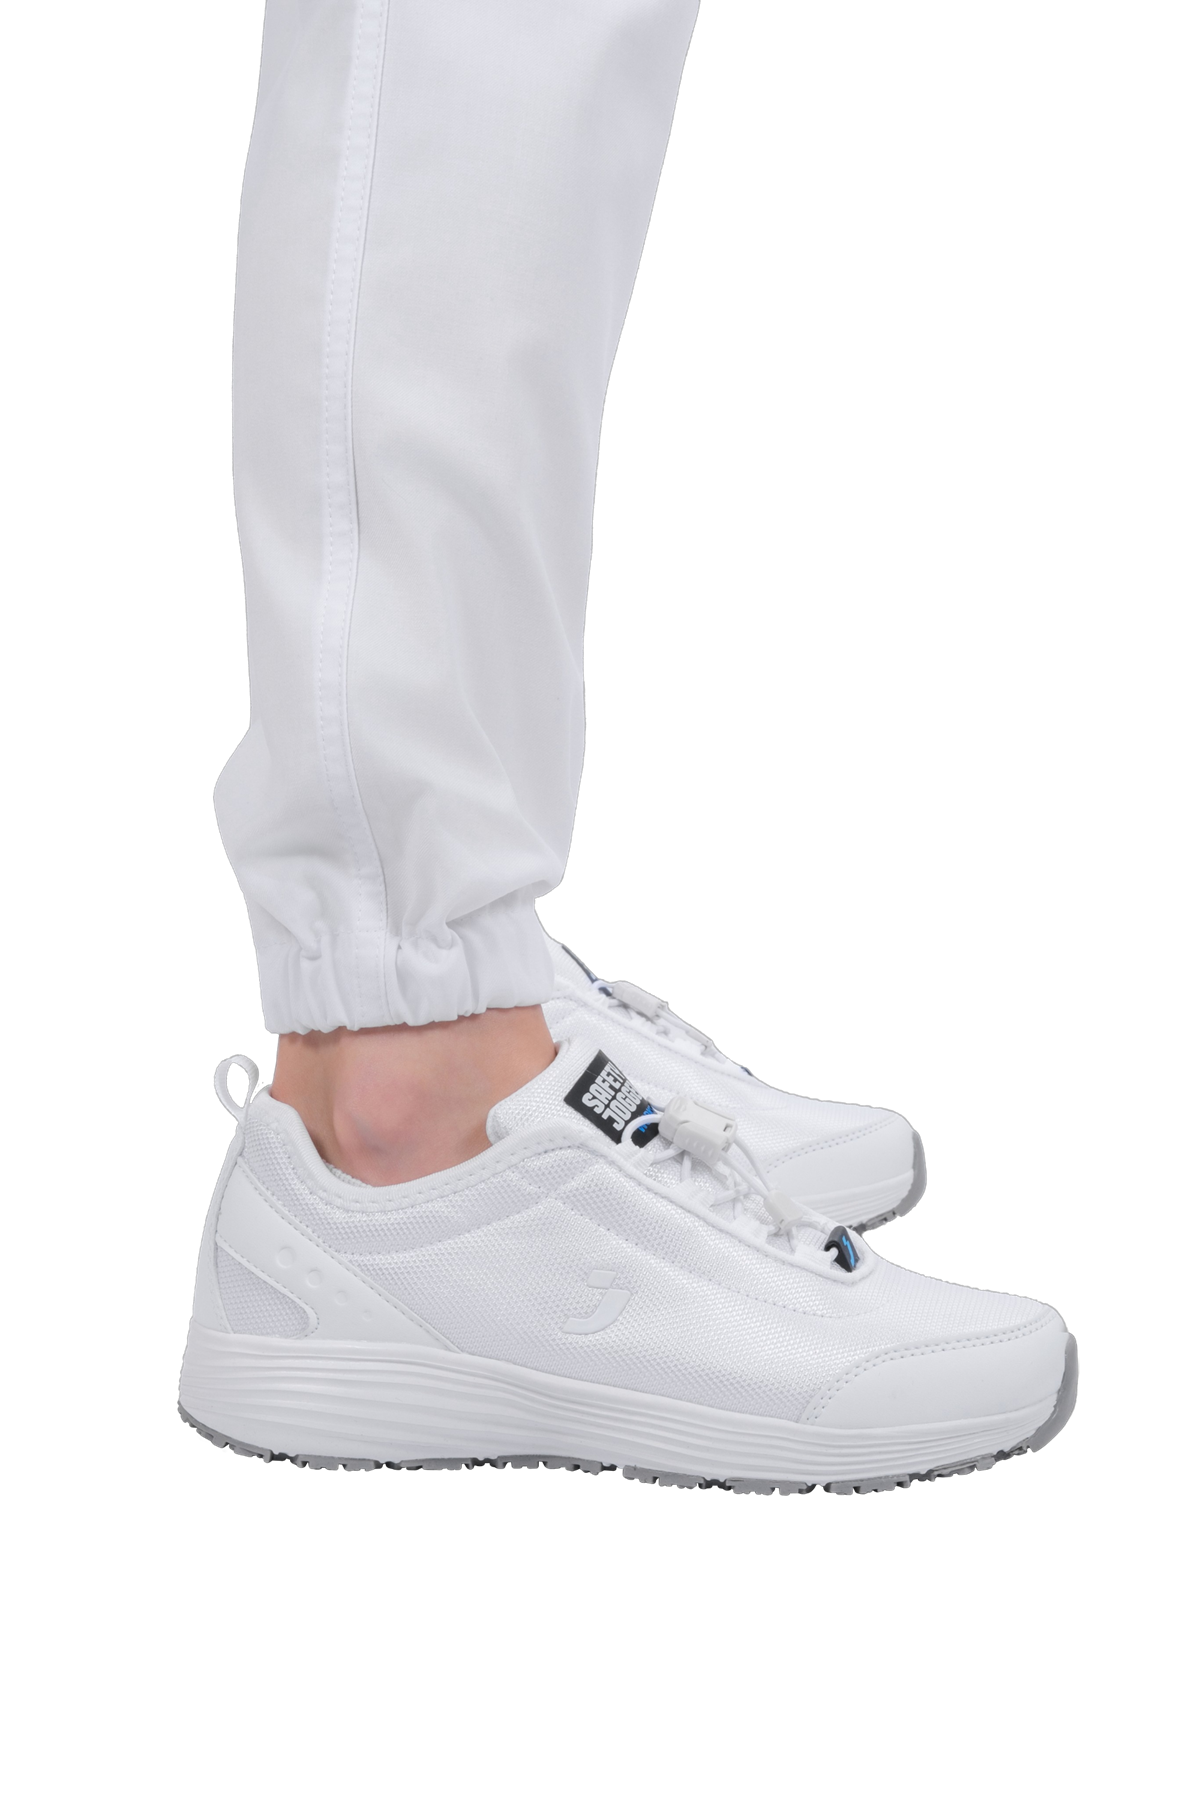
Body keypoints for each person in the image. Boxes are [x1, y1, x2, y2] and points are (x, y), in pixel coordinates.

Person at [180, 1, 1076, 1489]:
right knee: (458, 45)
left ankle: (465, 991)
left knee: (552, 67)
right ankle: (405, 1077)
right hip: (395, 1013)